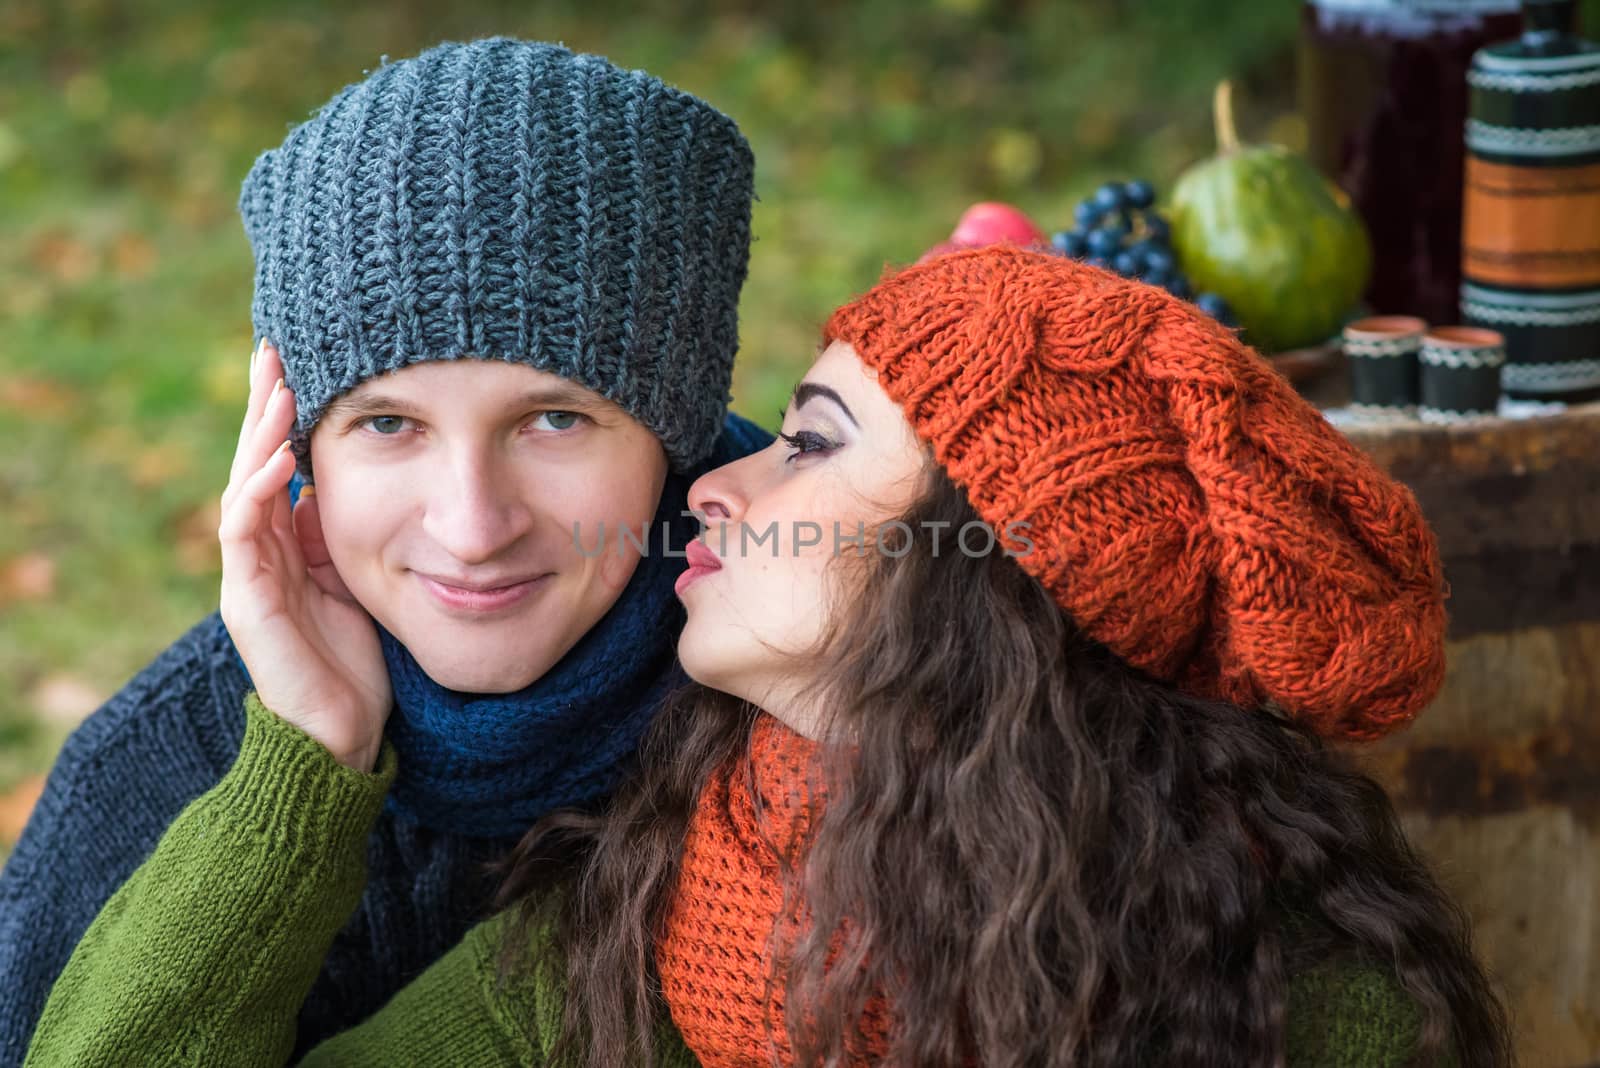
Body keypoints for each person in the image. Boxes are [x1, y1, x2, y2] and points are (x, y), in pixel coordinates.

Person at [26, 247, 1511, 1066]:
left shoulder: (1303, 1005)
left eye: (811, 444)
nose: (717, 485)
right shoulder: (654, 912)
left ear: (998, 566)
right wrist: (304, 762)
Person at [0, 36, 767, 1063]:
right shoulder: (151, 772)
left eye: (553, 420)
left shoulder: (815, 721)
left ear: (672, 441)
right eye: (388, 425)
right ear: (295, 449)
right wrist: (302, 768)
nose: (472, 527)